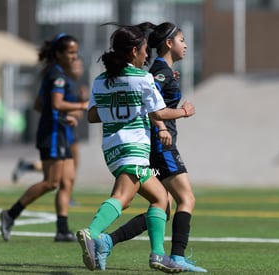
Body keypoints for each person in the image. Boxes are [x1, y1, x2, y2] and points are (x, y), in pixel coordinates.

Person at [75, 23, 195, 273]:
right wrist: (183, 112)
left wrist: (120, 110)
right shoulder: (142, 79)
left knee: (160, 198)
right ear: (133, 51)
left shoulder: (101, 80)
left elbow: (92, 116)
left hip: (112, 148)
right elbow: (158, 112)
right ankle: (92, 232)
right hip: (134, 146)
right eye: (143, 50)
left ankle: (158, 255)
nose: (146, 55)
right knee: (123, 197)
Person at [0, 33, 88, 242]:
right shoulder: (57, 74)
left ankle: (62, 230)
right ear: (58, 54)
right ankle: (10, 214)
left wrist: (64, 116)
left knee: (67, 181)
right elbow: (55, 104)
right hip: (53, 134)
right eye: (70, 52)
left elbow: (40, 104)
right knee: (51, 182)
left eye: (76, 52)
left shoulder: (59, 74)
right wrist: (81, 106)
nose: (74, 57)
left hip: (60, 131)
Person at [11, 58, 89, 206]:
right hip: (62, 133)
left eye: (81, 66)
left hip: (65, 131)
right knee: (56, 177)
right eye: (76, 65)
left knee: (61, 173)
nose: (80, 69)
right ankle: (13, 212)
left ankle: (63, 219)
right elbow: (53, 106)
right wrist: (80, 105)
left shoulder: (67, 82)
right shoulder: (61, 81)